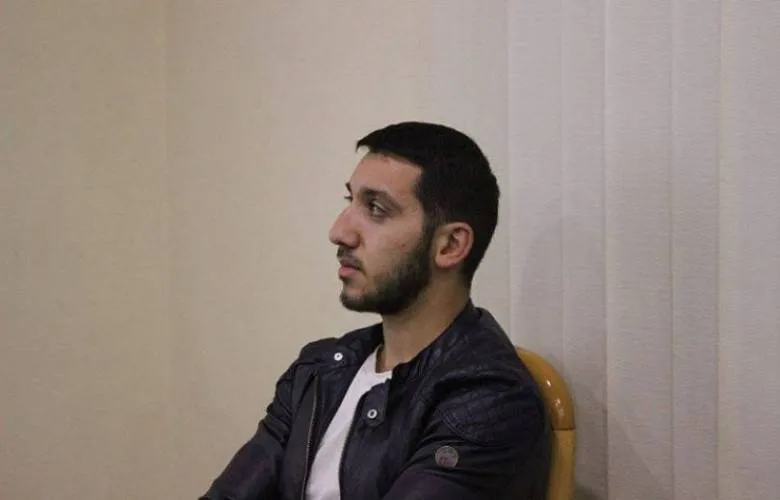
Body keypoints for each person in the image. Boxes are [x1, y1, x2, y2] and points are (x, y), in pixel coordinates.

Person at [200, 122, 550, 499]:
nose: (340, 231)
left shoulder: (489, 398)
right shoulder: (319, 372)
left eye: (376, 209)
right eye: (349, 200)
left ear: (450, 245)